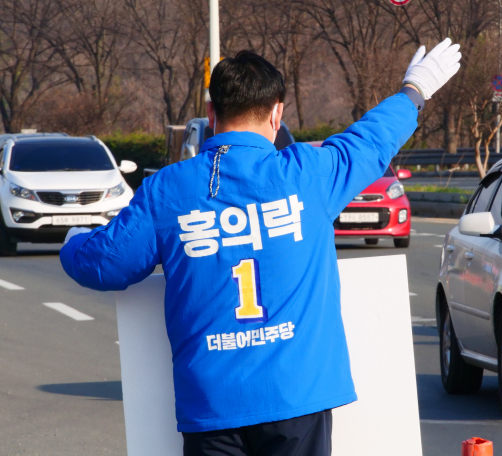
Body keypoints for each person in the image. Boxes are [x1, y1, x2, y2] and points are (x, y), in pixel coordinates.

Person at [60, 39, 461, 456]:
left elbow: (104, 263)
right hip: (296, 395)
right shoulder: (307, 175)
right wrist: (415, 89)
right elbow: (370, 141)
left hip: (212, 403)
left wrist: (74, 242)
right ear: (276, 113)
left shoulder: (170, 188)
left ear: (212, 114)